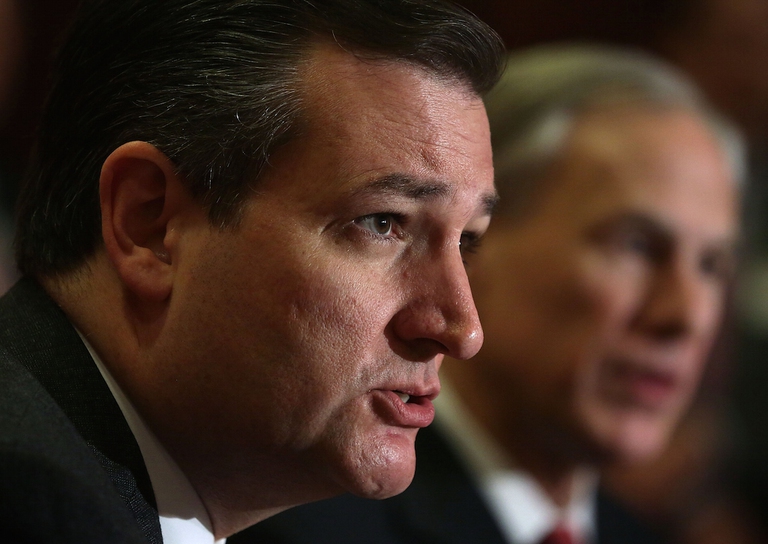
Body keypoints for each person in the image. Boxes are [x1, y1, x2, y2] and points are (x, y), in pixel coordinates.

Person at [0, 1, 505, 543]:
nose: (462, 330)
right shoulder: (32, 502)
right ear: (149, 226)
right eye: (383, 223)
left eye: (467, 240)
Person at [234, 45, 744, 544]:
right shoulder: (300, 520)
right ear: (474, 242)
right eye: (636, 246)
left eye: (712, 265)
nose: (685, 315)